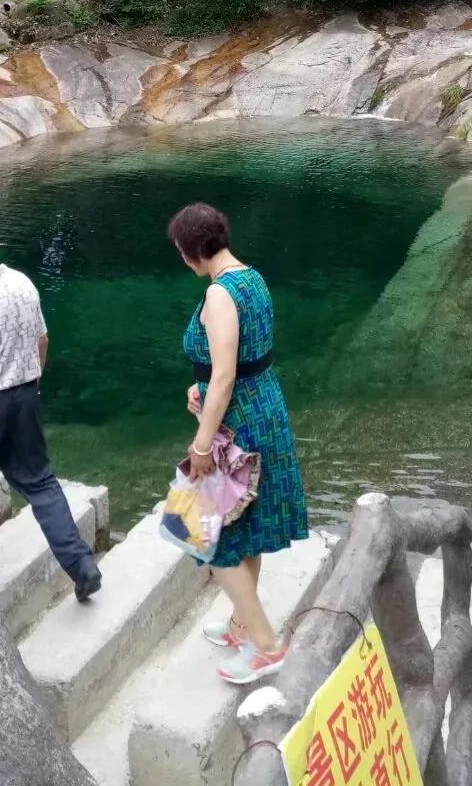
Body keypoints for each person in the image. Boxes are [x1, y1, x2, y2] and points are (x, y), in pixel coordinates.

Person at [170, 202, 308, 686]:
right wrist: (200, 386)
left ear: (190, 253)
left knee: (211, 536)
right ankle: (239, 624)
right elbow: (239, 360)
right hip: (263, 404)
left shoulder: (219, 296)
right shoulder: (253, 278)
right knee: (245, 525)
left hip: (239, 422)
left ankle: (267, 646)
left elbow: (226, 374)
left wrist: (202, 445)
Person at [0, 216, 101, 601]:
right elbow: (42, 340)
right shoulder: (22, 283)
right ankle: (82, 566)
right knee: (41, 482)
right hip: (26, 396)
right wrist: (33, 380)